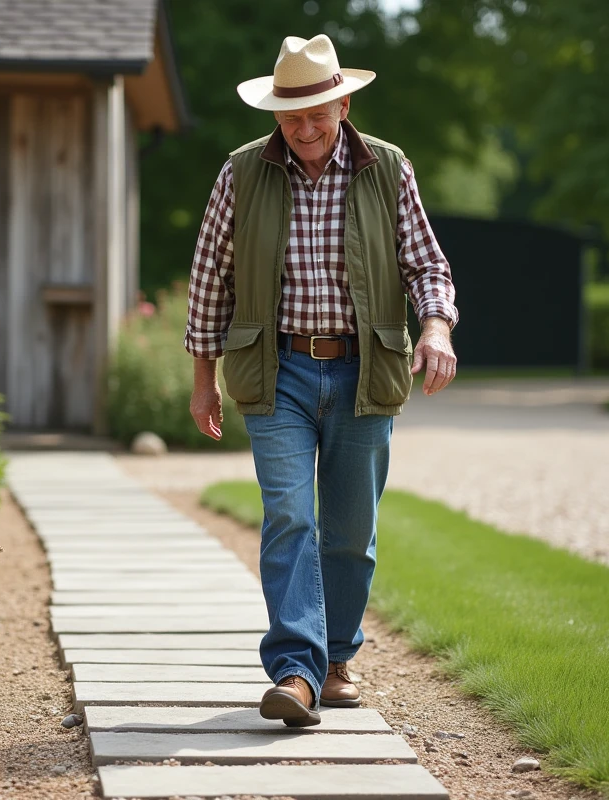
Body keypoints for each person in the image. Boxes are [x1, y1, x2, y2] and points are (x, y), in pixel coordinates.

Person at [183, 33, 460, 727]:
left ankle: (337, 659)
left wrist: (436, 328)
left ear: (342, 102)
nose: (305, 129)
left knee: (349, 532)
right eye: (291, 115)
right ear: (275, 113)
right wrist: (202, 377)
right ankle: (296, 673)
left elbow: (426, 264)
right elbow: (209, 278)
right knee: (289, 516)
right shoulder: (242, 172)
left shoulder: (387, 168)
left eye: (317, 113)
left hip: (365, 369)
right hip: (277, 371)